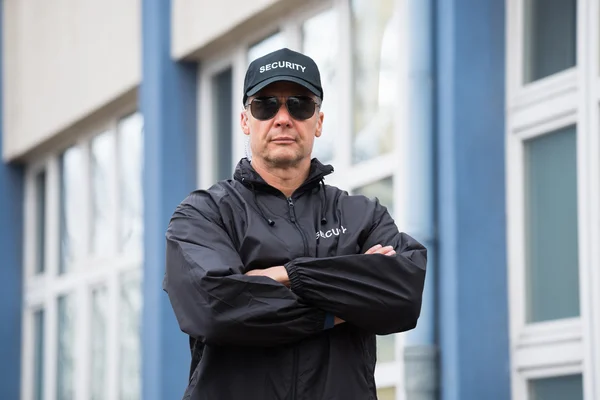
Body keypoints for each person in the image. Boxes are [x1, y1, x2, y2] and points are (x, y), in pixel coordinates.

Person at [164, 47, 427, 400]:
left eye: (300, 104)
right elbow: (215, 309)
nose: (283, 118)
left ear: (318, 121)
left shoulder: (361, 215)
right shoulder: (204, 213)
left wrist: (279, 276)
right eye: (266, 104)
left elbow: (401, 297)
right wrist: (343, 301)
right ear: (246, 119)